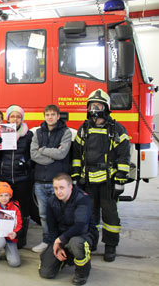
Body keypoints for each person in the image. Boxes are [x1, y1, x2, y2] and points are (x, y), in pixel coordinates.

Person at [71, 89, 130, 262]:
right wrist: (75, 175)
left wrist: (120, 179)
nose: (94, 109)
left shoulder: (116, 129)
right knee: (91, 215)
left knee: (110, 215)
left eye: (97, 105)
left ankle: (111, 246)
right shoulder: (84, 128)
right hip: (88, 180)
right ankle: (92, 241)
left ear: (106, 107)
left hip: (108, 182)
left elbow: (124, 155)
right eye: (91, 105)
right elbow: (76, 154)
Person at [39, 173, 97, 286]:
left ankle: (82, 271)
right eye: (55, 188)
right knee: (46, 273)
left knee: (75, 243)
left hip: (83, 235)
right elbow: (52, 228)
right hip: (62, 237)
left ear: (70, 187)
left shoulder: (82, 198)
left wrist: (60, 240)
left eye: (62, 187)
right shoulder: (52, 201)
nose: (58, 191)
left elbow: (80, 226)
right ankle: (66, 257)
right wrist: (57, 245)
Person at [30, 105, 72, 253]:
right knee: (43, 215)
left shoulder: (66, 132)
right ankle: (46, 241)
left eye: (53, 114)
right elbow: (33, 154)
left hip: (58, 184)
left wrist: (43, 150)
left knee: (60, 214)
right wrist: (52, 156)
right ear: (44, 116)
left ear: (58, 116)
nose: (50, 117)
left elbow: (62, 154)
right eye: (47, 114)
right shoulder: (38, 133)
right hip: (40, 182)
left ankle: (61, 241)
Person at [0, 105, 34, 248]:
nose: (15, 119)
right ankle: (6, 236)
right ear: (8, 118)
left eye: (18, 116)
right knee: (6, 209)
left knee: (22, 210)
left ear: (21, 119)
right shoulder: (1, 133)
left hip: (22, 179)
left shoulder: (28, 135)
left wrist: (26, 163)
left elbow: (32, 156)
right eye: (12, 116)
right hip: (6, 179)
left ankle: (21, 239)